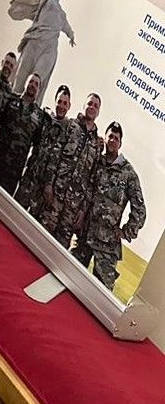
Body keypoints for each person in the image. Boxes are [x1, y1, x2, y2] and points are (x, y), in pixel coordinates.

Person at [73, 122, 146, 291]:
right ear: (105, 139)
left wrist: (126, 231)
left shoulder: (128, 174)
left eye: (116, 138)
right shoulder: (97, 162)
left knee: (101, 294)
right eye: (110, 136)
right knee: (68, 275)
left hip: (106, 245)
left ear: (120, 143)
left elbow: (140, 210)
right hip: (85, 235)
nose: (112, 140)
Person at [42, 92, 102, 247]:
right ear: (84, 105)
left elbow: (92, 180)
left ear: (98, 111)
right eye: (90, 104)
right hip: (55, 196)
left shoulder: (96, 144)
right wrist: (48, 184)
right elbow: (55, 155)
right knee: (40, 236)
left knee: (59, 249)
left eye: (95, 106)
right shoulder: (70, 126)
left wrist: (83, 210)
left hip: (72, 209)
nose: (92, 107)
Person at [16, 83, 72, 213]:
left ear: (69, 106)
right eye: (59, 102)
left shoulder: (69, 130)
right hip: (29, 177)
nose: (61, 106)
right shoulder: (44, 118)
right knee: (15, 211)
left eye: (65, 103)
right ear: (55, 101)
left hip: (45, 187)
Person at [0, 72, 42, 193]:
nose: (33, 85)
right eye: (31, 82)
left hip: (13, 171)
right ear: (25, 84)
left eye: (36, 84)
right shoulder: (11, 99)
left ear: (39, 89)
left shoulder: (39, 116)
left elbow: (37, 145)